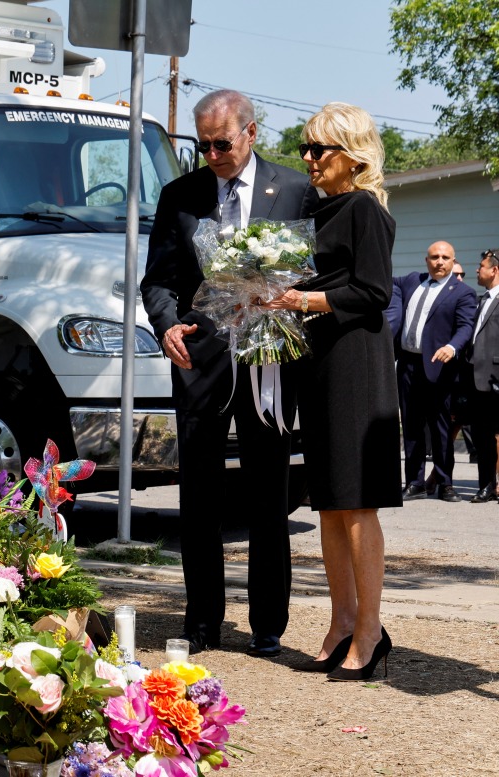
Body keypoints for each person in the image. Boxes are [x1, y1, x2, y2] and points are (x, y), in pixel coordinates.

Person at [141, 90, 317, 658]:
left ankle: (268, 623)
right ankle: (202, 621)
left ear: (251, 133)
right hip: (200, 359)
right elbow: (158, 281)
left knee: (269, 492)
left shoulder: (293, 189)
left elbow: (314, 275)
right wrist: (166, 324)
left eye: (222, 143)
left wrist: (286, 301)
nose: (212, 154)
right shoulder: (180, 195)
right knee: (199, 496)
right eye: (203, 144)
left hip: (267, 361)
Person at [263, 102, 401, 681]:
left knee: (357, 500)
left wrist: (306, 300)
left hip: (357, 362)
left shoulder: (364, 209)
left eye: (320, 150)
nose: (310, 160)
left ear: (353, 156)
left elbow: (374, 292)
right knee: (329, 499)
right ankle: (342, 618)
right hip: (319, 362)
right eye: (305, 150)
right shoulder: (317, 212)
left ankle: (370, 629)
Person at [387, 241, 476, 502]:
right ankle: (414, 482)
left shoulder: (462, 292)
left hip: (438, 367)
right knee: (412, 427)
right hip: (407, 365)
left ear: (453, 261)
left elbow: (466, 326)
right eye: (434, 257)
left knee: (439, 430)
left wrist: (452, 346)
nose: (439, 262)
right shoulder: (411, 281)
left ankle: (445, 483)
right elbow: (385, 281)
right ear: (426, 260)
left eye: (445, 257)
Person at [465, 249, 499, 502]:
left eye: (481, 266)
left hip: (496, 378)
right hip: (477, 380)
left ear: (494, 270)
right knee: (483, 437)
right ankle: (486, 484)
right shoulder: (482, 299)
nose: (477, 270)